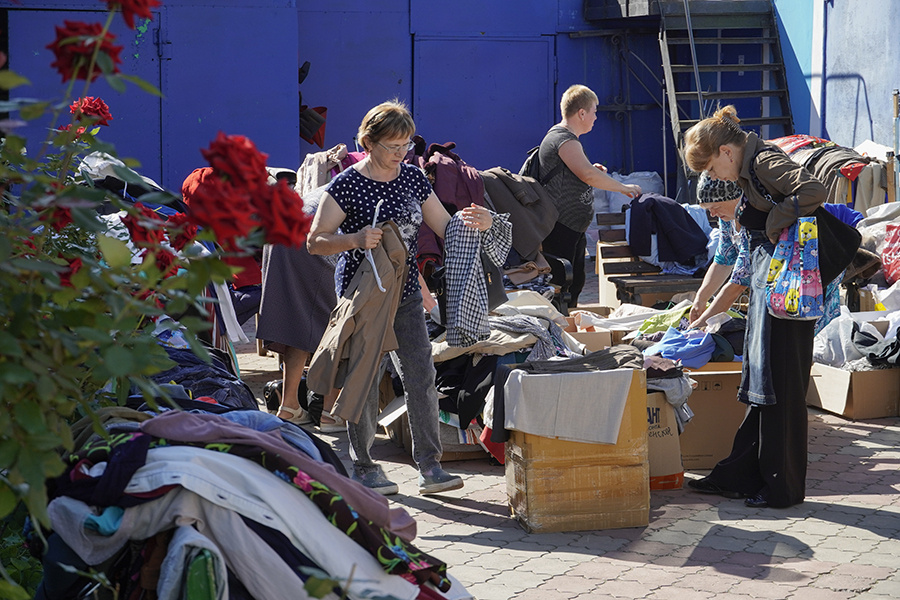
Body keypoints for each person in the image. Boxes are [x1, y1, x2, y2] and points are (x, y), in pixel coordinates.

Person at [307, 99, 494, 496]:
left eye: (406, 145)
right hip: (364, 295)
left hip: (406, 292)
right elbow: (315, 241)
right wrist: (354, 239)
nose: (401, 154)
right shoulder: (348, 183)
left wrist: (478, 221)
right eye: (393, 146)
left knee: (421, 374)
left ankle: (431, 465)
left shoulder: (411, 177)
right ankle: (364, 464)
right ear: (369, 141)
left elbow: (445, 226)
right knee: (365, 377)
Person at [682, 105, 827, 509]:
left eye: (712, 169)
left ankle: (782, 488)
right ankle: (741, 474)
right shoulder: (748, 167)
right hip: (774, 280)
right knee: (761, 380)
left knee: (781, 383)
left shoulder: (763, 161)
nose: (715, 178)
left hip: (790, 288)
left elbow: (814, 190)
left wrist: (774, 223)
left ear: (726, 152)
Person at [538, 84, 642, 308]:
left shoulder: (566, 139)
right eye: (594, 111)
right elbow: (587, 175)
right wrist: (622, 187)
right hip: (560, 227)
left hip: (571, 227)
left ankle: (568, 331)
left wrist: (592, 169)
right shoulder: (563, 138)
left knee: (573, 284)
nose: (596, 117)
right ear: (581, 113)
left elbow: (580, 171)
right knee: (561, 286)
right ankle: (558, 336)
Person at [689, 172, 749, 329]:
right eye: (708, 209)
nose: (712, 214)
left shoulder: (752, 222)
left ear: (735, 197)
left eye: (715, 207)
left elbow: (738, 284)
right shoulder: (727, 219)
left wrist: (701, 324)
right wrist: (701, 299)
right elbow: (723, 261)